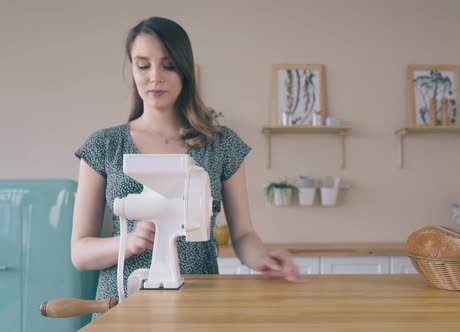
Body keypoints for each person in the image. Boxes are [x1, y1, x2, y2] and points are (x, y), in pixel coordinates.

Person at [71, 16, 304, 317]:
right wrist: (128, 243)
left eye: (168, 65)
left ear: (185, 70)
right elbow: (80, 253)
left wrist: (265, 260)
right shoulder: (103, 146)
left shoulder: (221, 144)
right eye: (143, 65)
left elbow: (244, 235)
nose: (155, 76)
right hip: (121, 307)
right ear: (132, 69)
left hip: (200, 306)